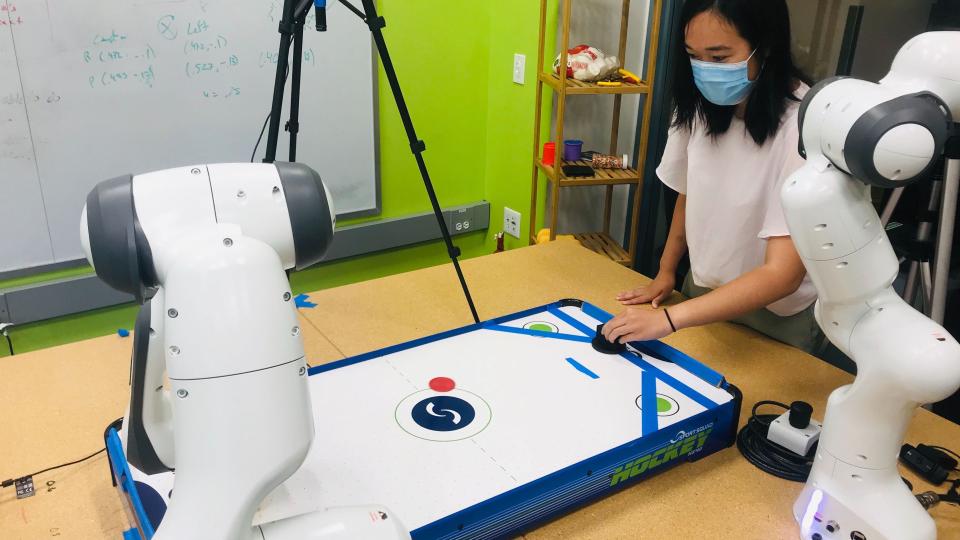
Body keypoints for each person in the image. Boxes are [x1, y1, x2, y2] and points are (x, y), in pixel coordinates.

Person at [603, 0, 821, 353]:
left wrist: (670, 320)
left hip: (778, 313)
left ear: (765, 47)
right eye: (695, 55)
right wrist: (666, 271)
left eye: (719, 58)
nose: (705, 70)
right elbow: (691, 194)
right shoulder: (698, 104)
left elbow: (783, 274)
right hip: (703, 291)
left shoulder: (805, 124)